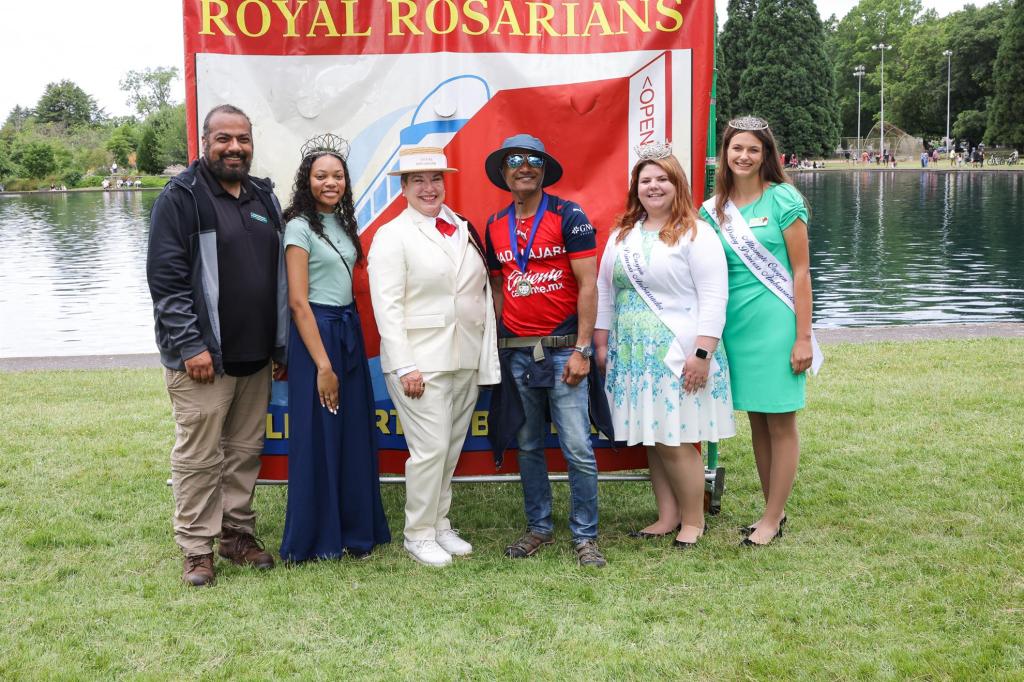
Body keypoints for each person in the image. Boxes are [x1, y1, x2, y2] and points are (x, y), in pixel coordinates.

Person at [147, 104, 287, 585]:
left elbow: (276, 277)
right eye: (224, 138)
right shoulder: (181, 198)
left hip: (255, 356)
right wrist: (190, 346)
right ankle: (195, 547)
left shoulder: (262, 196)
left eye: (242, 139)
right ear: (204, 142)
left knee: (244, 451)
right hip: (203, 359)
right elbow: (166, 282)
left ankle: (236, 535)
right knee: (199, 457)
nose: (234, 147)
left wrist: (279, 346)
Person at [594, 144, 735, 548]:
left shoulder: (696, 233)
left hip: (678, 352)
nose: (653, 186)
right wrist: (601, 342)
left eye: (662, 179)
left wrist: (703, 353)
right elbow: (605, 291)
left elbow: (715, 296)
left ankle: (693, 520)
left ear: (678, 185)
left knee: (675, 439)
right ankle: (667, 515)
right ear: (635, 188)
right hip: (634, 353)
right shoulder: (623, 234)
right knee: (654, 438)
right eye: (645, 180)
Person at [368, 146, 500, 567]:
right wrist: (405, 364)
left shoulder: (462, 226)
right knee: (430, 449)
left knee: (450, 447)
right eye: (418, 181)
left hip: (464, 356)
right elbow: (387, 307)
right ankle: (418, 533)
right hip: (420, 362)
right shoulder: (392, 235)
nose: (429, 188)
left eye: (436, 179)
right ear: (403, 188)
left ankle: (440, 524)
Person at [483, 133, 611, 568]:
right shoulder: (494, 224)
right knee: (528, 445)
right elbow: (498, 285)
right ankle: (538, 527)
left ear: (544, 170)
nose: (525, 167)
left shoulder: (568, 215)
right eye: (516, 160)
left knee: (577, 446)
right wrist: (499, 341)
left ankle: (585, 536)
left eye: (534, 160)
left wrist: (582, 349)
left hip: (563, 351)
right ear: (504, 172)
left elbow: (588, 284)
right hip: (518, 352)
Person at [698, 116, 822, 548]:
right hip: (736, 329)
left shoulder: (783, 198)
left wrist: (803, 336)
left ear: (767, 154)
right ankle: (774, 510)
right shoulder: (712, 211)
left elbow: (801, 272)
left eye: (753, 149)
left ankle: (771, 518)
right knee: (757, 420)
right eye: (737, 148)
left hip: (776, 325)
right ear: (725, 154)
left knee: (781, 420)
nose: (744, 156)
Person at [279, 133, 391, 563]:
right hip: (318, 336)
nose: (330, 183)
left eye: (338, 176)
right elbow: (298, 302)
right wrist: (323, 367)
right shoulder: (298, 227)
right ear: (306, 181)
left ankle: (356, 531)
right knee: (319, 435)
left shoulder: (344, 224)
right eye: (321, 176)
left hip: (348, 331)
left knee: (352, 433)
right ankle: (317, 538)